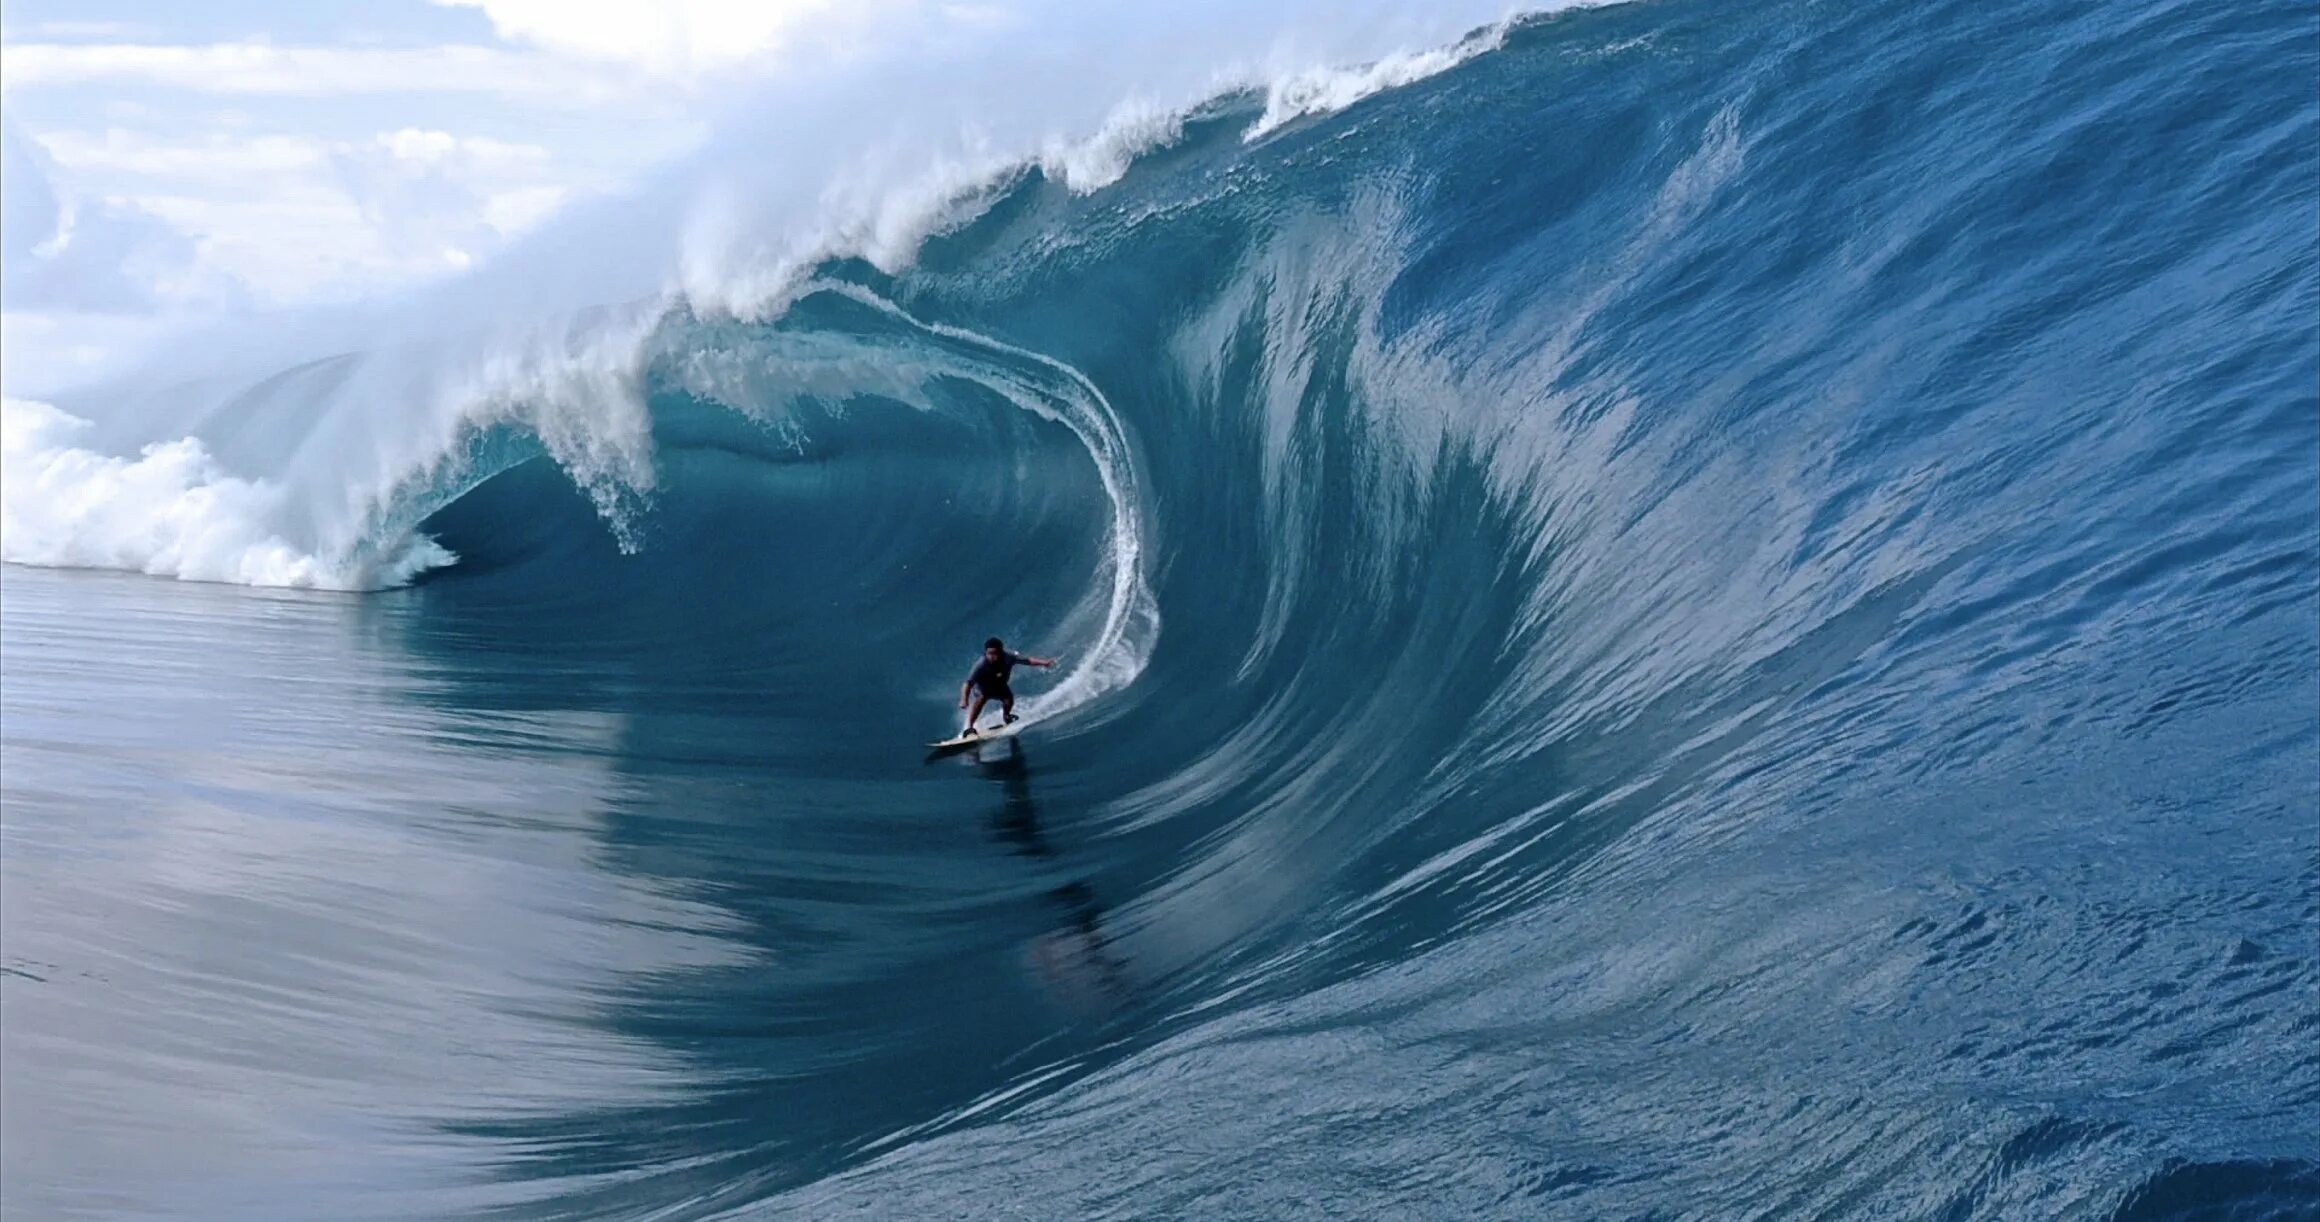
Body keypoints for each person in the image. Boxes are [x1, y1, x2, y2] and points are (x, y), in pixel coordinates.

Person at [959, 637, 1054, 735]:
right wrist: (964, 699)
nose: (992, 656)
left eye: (995, 653)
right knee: (982, 698)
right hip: (982, 687)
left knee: (1008, 699)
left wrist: (1044, 663)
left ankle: (1007, 716)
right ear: (986, 653)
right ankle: (969, 727)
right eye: (989, 653)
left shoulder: (1009, 656)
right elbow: (967, 683)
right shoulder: (981, 665)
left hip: (999, 685)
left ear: (1001, 651)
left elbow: (1027, 661)